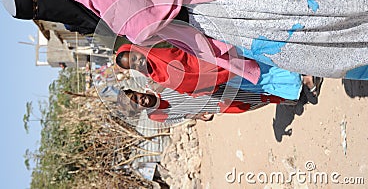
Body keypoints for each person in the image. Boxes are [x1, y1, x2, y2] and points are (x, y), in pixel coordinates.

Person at [0, 0, 368, 80]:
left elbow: (141, 23)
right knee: (305, 43)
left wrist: (133, 38)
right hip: (202, 23)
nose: (42, 8)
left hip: (210, 6)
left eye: (36, 0)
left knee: (310, 11)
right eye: (35, 12)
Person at [115, 43, 318, 101]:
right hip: (215, 81)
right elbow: (184, 88)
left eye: (134, 57)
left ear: (136, 50)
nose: (138, 61)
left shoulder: (159, 49)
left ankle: (304, 73)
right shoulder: (155, 76)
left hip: (215, 62)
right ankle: (300, 83)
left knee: (259, 68)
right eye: (133, 65)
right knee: (258, 81)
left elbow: (185, 50)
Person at [122, 86, 295, 124]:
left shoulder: (156, 84)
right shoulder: (155, 115)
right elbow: (180, 117)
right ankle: (285, 98)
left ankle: (288, 96)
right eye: (137, 104)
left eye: (136, 97)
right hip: (214, 106)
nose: (141, 100)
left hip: (214, 90)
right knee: (245, 106)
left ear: (137, 91)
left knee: (252, 92)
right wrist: (198, 116)